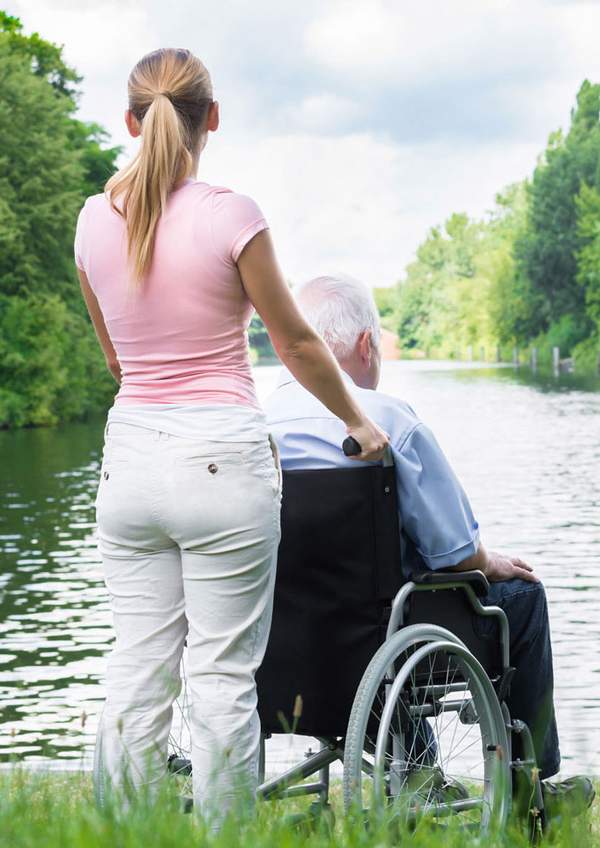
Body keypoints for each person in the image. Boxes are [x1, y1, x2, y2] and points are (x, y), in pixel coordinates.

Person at [73, 50, 388, 826]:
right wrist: (356, 420)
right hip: (220, 461)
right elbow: (298, 343)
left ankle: (126, 835)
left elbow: (116, 361)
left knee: (139, 666)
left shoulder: (91, 219)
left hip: (129, 462)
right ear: (211, 117)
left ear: (130, 122)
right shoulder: (231, 215)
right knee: (220, 675)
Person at [264, 273, 595, 823]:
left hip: (281, 640)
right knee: (518, 599)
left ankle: (422, 776)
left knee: (391, 607)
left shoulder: (259, 420)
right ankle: (531, 792)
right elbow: (456, 554)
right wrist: (491, 562)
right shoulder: (388, 420)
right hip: (378, 640)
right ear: (366, 345)